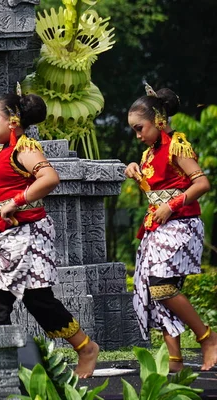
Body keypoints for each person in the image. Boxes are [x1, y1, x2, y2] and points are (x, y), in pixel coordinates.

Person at [0, 91, 99, 378]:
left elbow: (49, 178)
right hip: (2, 239)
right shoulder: (4, 151)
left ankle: (85, 347)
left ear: (12, 120)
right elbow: (3, 186)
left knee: (38, 299)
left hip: (25, 237)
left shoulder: (24, 147)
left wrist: (16, 201)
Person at [125, 83, 217, 372]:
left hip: (181, 225)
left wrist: (172, 205)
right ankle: (175, 361)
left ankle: (207, 337)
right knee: (159, 290)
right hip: (159, 228)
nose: (138, 136)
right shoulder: (149, 154)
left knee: (161, 286)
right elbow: (158, 191)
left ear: (159, 121)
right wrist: (134, 172)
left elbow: (202, 183)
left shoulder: (177, 144)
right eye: (134, 131)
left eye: (140, 128)